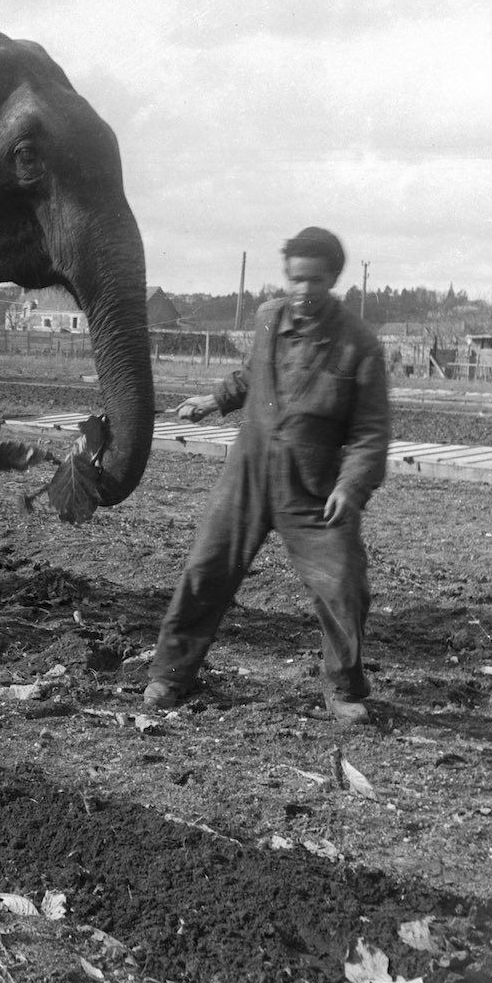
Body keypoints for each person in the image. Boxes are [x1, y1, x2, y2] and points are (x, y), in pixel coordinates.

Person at [144, 227, 390, 724]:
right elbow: (254, 373)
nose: (303, 291)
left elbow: (371, 432)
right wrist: (216, 400)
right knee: (206, 569)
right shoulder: (267, 319)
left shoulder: (359, 345)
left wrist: (351, 485)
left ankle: (343, 688)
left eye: (315, 281)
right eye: (296, 279)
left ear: (334, 279)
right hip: (248, 474)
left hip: (314, 487)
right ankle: (170, 675)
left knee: (343, 584)